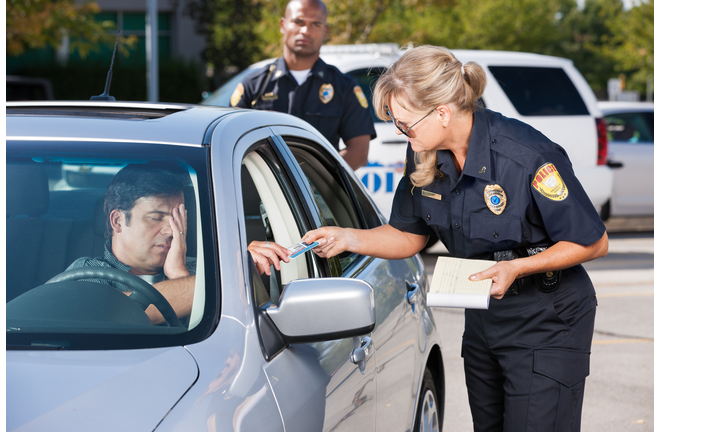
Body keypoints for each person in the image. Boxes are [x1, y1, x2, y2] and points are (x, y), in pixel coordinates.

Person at [302, 45, 609, 432]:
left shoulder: (526, 156)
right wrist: (347, 237)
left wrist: (518, 266)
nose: (401, 134)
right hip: (485, 319)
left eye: (405, 124)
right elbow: (407, 235)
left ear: (443, 112)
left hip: (548, 321)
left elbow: (593, 241)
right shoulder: (427, 153)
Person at [68, 163, 291, 324]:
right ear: (118, 221)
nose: (170, 230)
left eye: (177, 218)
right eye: (156, 217)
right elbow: (117, 314)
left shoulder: (203, 270)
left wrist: (179, 272)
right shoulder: (87, 273)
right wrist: (235, 270)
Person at [229, 0, 376, 170]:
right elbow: (232, 143)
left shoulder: (344, 87)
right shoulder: (254, 86)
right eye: (298, 22)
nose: (306, 31)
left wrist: (314, 180)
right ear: (283, 25)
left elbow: (359, 153)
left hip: (317, 195)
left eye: (315, 24)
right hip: (261, 191)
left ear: (325, 31)